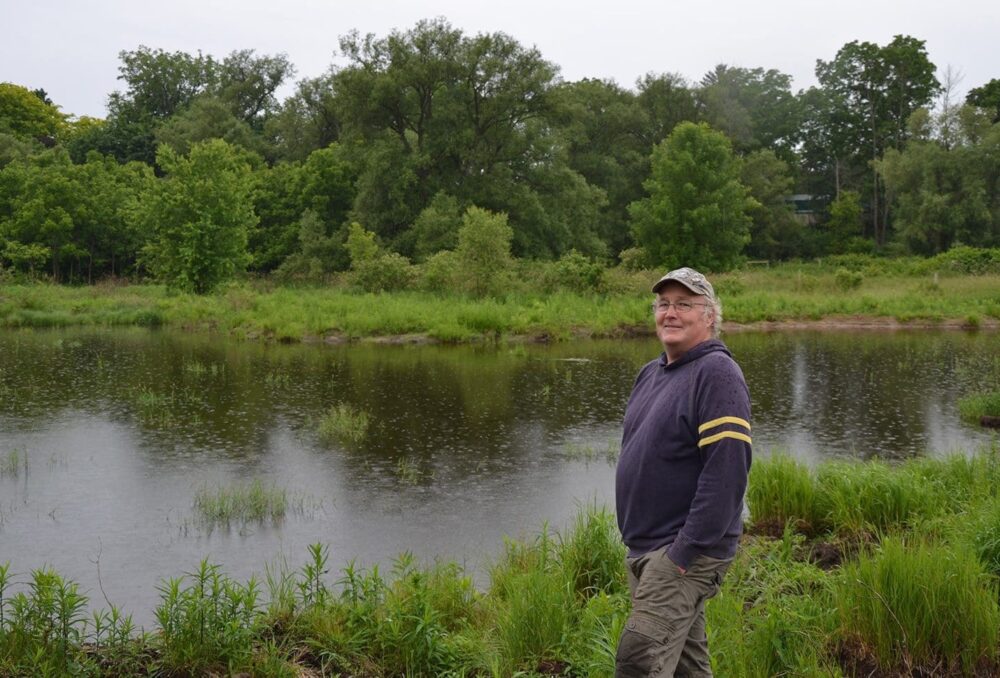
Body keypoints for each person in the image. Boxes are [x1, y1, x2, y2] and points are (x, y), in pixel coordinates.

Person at [615, 266, 752, 677]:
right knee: (686, 670)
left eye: (684, 305)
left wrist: (681, 555)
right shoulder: (651, 373)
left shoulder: (717, 373)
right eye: (663, 304)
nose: (670, 313)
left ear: (708, 316)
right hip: (647, 548)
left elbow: (727, 473)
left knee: (639, 659)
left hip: (681, 553)